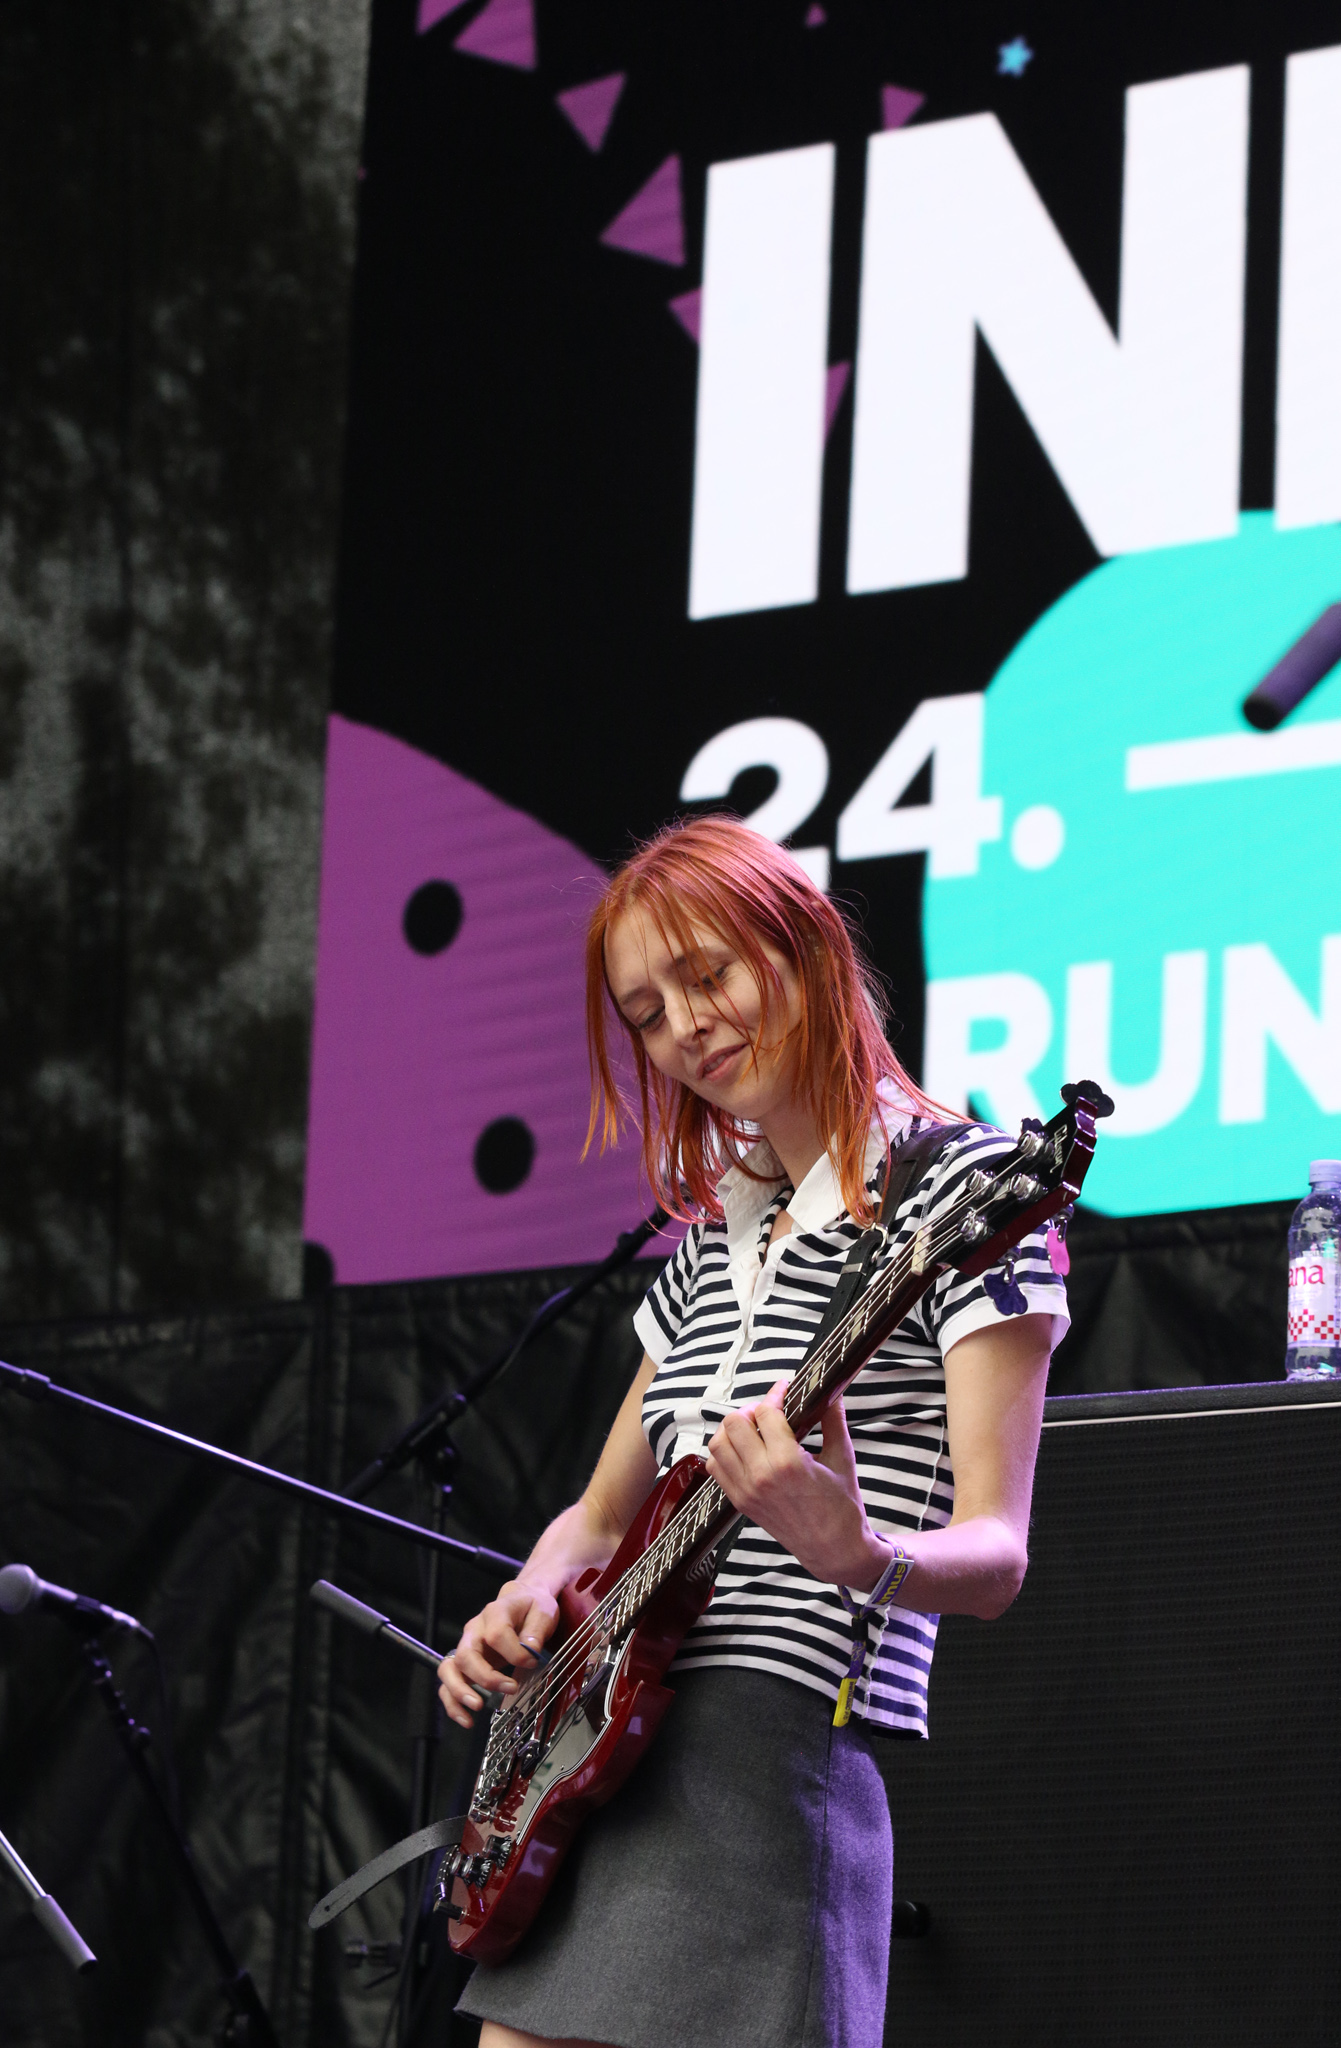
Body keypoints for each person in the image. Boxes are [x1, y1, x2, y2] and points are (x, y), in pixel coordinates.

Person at [439, 815, 1068, 2048]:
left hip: (772, 1750)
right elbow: (599, 1517)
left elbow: (998, 1554)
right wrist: (527, 1596)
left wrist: (861, 1551)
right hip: (601, 1751)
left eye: (707, 972)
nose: (684, 1023)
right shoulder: (707, 1246)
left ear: (806, 946)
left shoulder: (964, 1188)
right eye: (646, 1011)